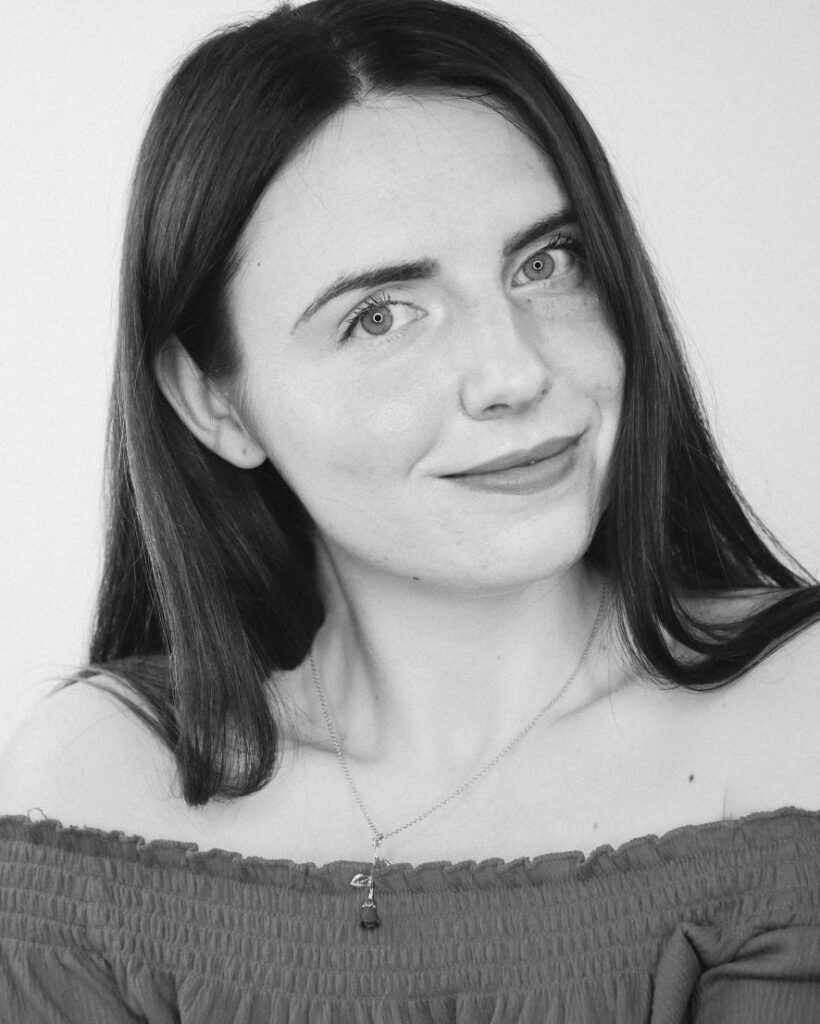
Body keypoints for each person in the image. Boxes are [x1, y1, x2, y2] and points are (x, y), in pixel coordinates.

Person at [1, 0, 819, 1019]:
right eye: (381, 315)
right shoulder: (95, 784)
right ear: (215, 403)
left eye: (545, 264)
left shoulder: (794, 719)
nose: (515, 372)